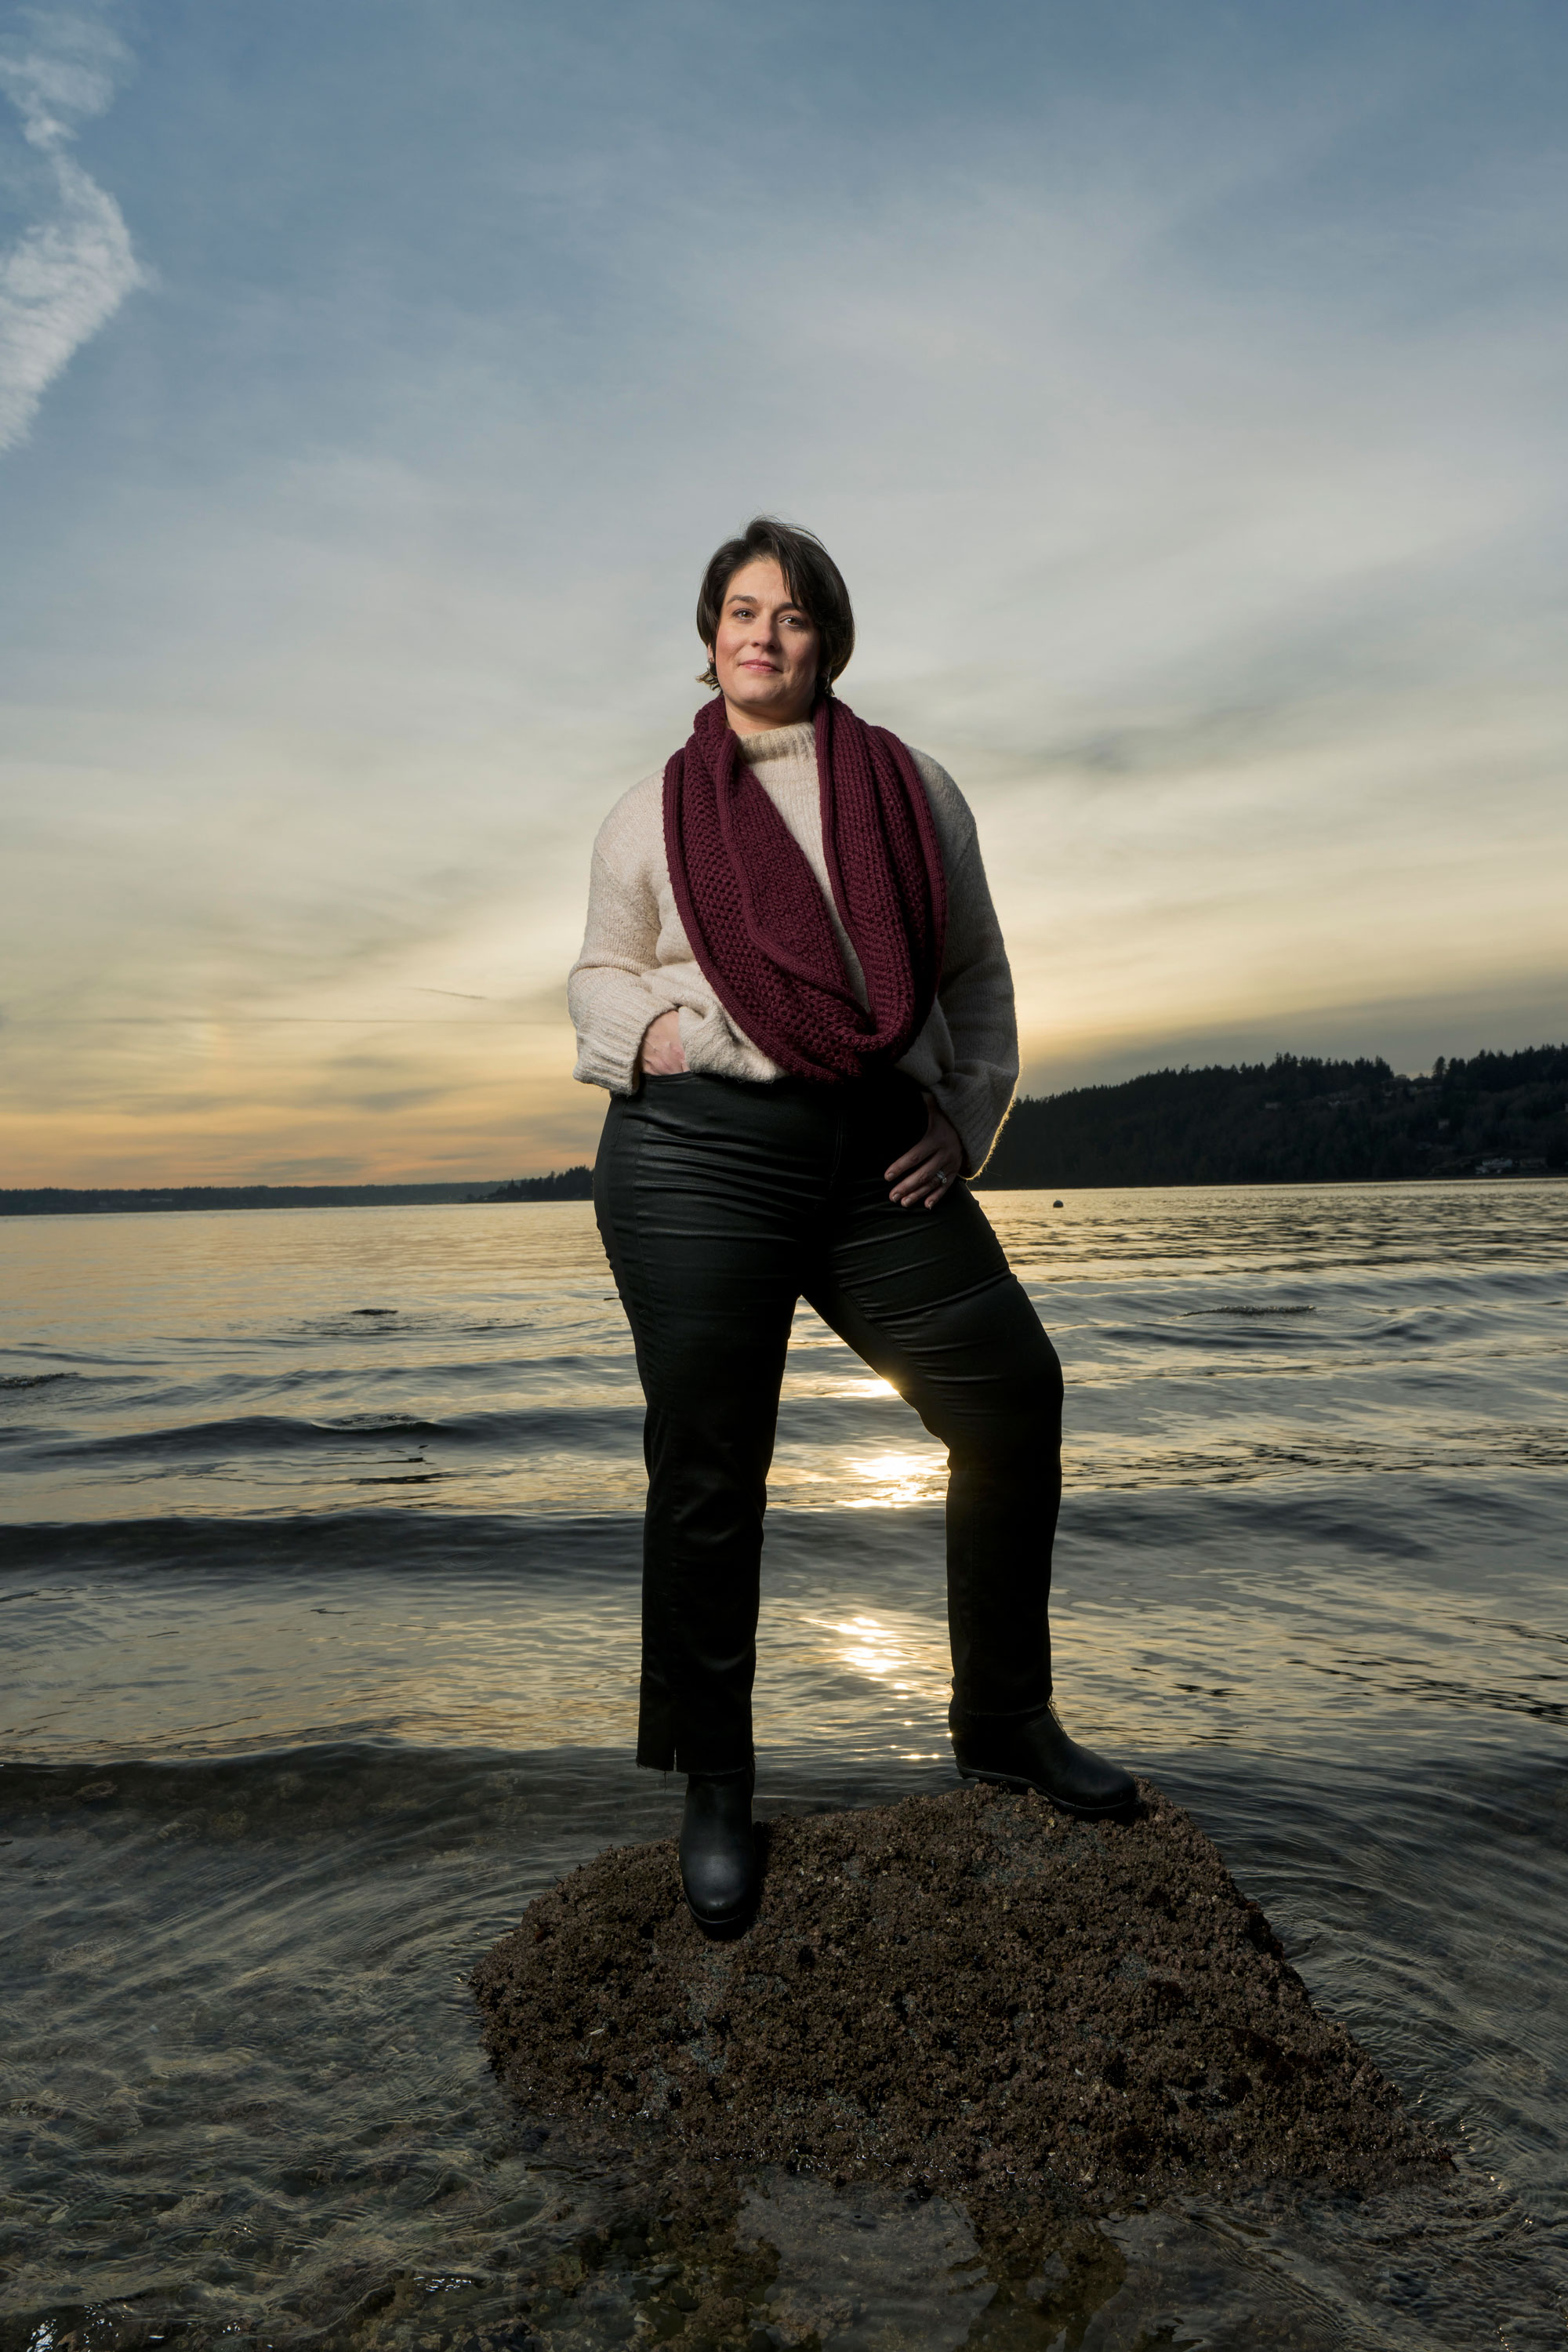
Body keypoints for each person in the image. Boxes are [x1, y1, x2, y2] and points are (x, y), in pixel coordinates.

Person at [568, 517, 1134, 1931]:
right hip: (697, 1159)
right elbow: (597, 975)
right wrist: (667, 1042)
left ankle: (1005, 1721)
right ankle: (714, 1782)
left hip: (883, 1155)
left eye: (795, 614)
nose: (765, 634)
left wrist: (969, 1121)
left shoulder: (909, 787)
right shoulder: (648, 810)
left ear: (831, 640)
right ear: (709, 635)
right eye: (741, 610)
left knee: (1012, 1399)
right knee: (710, 1469)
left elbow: (979, 974)